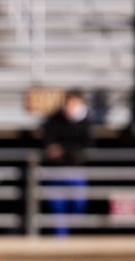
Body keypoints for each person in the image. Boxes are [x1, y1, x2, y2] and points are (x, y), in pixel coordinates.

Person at [40, 88, 93, 236]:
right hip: (56, 171)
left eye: (74, 103)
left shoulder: (85, 122)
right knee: (58, 210)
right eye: (68, 103)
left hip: (75, 170)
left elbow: (86, 145)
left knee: (78, 206)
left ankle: (74, 237)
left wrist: (64, 150)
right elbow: (47, 143)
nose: (70, 106)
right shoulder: (54, 120)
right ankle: (60, 242)